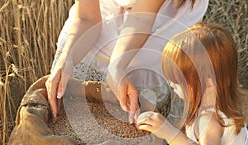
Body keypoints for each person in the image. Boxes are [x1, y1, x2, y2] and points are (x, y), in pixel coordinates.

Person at [45, 0, 209, 123]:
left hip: (159, 12)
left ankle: (137, 105)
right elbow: (87, 18)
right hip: (118, 7)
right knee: (74, 49)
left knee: (136, 60)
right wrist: (67, 59)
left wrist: (116, 67)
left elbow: (140, 19)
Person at [136, 22, 248, 145]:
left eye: (177, 81)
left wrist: (168, 132)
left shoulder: (208, 120)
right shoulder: (229, 99)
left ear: (206, 83)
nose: (171, 84)